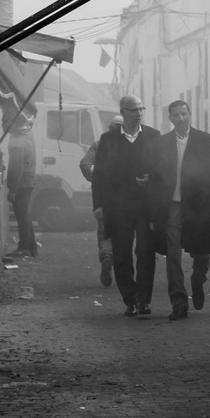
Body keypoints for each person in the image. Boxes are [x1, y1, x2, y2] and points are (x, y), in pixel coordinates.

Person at [148, 100, 210, 321]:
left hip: (199, 207)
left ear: (190, 114)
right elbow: (156, 180)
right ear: (170, 118)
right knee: (173, 255)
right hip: (172, 207)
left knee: (201, 254)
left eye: (184, 114)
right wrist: (154, 214)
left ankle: (198, 280)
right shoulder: (162, 144)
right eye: (176, 115)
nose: (180, 119)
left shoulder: (204, 140)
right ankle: (179, 302)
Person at [91, 95, 160, 317]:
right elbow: (99, 176)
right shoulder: (108, 140)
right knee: (121, 256)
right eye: (134, 109)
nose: (139, 113)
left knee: (146, 253)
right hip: (117, 207)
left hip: (145, 206)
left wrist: (151, 181)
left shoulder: (153, 136)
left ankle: (143, 301)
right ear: (124, 112)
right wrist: (98, 205)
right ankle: (129, 299)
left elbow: (162, 171)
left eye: (142, 108)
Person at [80, 113, 124, 287]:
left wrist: (94, 178)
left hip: (103, 198)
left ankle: (106, 257)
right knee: (123, 236)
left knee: (105, 233)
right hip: (125, 199)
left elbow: (84, 164)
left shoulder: (99, 145)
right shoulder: (129, 146)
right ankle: (122, 271)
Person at [5, 114, 39, 258]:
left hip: (21, 182)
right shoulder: (27, 135)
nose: (3, 124)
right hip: (28, 180)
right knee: (25, 214)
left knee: (21, 215)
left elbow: (16, 167)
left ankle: (24, 247)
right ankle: (31, 247)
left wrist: (12, 189)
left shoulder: (18, 141)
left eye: (5, 121)